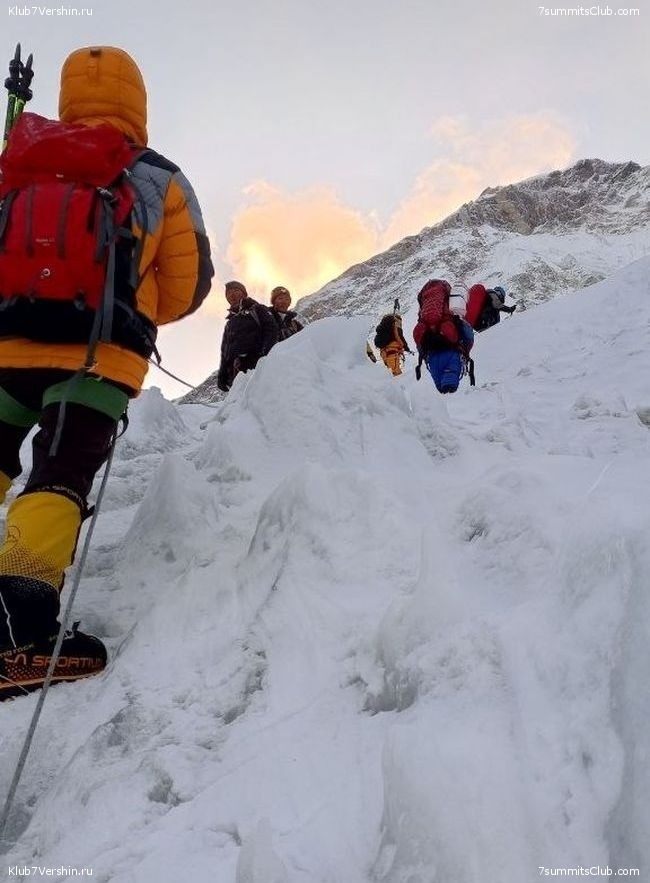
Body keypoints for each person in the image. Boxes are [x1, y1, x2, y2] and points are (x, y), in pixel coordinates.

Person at [0, 46, 213, 699]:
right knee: (59, 472)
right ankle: (22, 634)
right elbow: (188, 286)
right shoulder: (157, 175)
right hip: (97, 356)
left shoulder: (20, 155)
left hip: (8, 346)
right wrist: (134, 306)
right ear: (137, 101)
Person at [413, 279, 475, 394]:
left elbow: (419, 342)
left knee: (441, 392)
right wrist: (466, 352)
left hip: (431, 355)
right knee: (452, 389)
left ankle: (442, 398)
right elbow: (468, 334)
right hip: (451, 348)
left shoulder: (423, 314)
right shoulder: (451, 307)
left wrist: (424, 356)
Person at [216, 281, 278, 392]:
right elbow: (225, 352)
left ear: (244, 293)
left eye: (236, 290)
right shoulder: (229, 324)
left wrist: (263, 356)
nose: (232, 295)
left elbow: (271, 330)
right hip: (238, 373)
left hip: (259, 366)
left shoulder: (258, 309)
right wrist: (222, 374)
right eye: (228, 293)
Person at [373, 310, 412, 377]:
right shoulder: (396, 326)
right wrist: (406, 348)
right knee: (395, 371)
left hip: (383, 351)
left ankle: (392, 381)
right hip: (392, 350)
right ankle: (399, 382)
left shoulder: (384, 328)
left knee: (390, 371)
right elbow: (399, 337)